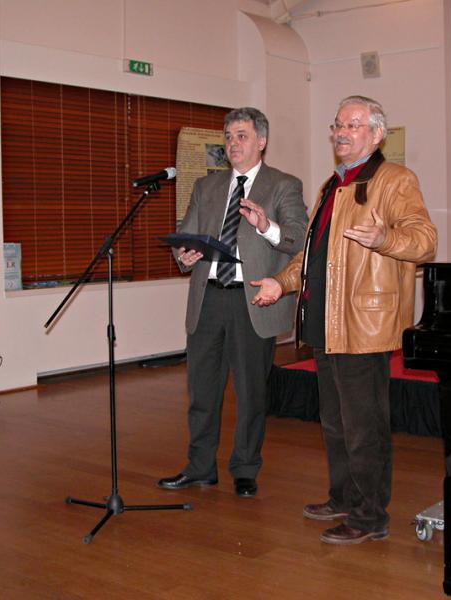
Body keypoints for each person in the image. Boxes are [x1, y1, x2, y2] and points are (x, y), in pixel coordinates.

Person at [251, 95, 437, 543]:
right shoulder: (332, 186)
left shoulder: (395, 180)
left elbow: (425, 241)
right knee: (335, 423)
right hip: (324, 322)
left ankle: (370, 517)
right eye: (337, 125)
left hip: (363, 325)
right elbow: (311, 255)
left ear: (377, 134)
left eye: (353, 125)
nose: (341, 132)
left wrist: (384, 238)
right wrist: (280, 282)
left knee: (363, 428)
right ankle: (342, 497)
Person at [158, 107, 308, 498]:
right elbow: (186, 234)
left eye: (241, 136)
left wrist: (266, 225)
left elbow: (298, 238)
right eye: (228, 136)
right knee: (201, 392)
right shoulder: (206, 187)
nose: (233, 143)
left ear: (262, 141)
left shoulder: (283, 185)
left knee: (251, 393)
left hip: (252, 300)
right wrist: (184, 254)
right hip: (207, 298)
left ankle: (244, 469)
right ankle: (199, 467)